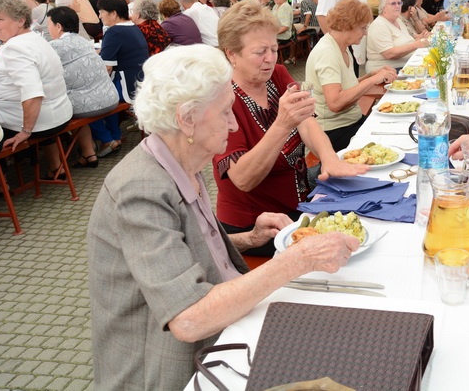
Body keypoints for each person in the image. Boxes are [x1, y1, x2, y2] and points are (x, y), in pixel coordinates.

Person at [88, 44, 359, 391]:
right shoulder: (140, 189)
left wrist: (249, 238)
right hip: (168, 368)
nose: (233, 124)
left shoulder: (181, 162)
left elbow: (181, 251)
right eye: (225, 112)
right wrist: (297, 260)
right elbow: (188, 318)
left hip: (220, 336)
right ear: (187, 118)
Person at [213, 1, 368, 255]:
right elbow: (243, 179)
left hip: (297, 206)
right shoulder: (221, 99)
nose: (270, 58)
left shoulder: (277, 75)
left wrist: (329, 158)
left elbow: (307, 121)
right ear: (231, 54)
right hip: (257, 227)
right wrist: (283, 124)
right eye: (260, 52)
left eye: (274, 49)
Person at [0, 0, 73, 174]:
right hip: (58, 113)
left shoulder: (16, 48)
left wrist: (25, 131)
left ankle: (0, 181)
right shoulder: (33, 38)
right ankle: (53, 166)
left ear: (21, 20)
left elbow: (33, 93)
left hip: (40, 123)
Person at [305, 0, 397, 151]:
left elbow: (347, 86)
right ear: (347, 25)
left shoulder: (342, 46)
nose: (365, 33)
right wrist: (372, 80)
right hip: (333, 132)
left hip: (350, 122)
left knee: (392, 128)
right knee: (390, 141)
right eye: (362, 28)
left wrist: (371, 76)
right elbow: (335, 103)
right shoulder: (327, 53)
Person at [47, 6, 118, 168]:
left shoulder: (54, 46)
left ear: (58, 26)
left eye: (49, 25)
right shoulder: (84, 41)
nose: (48, 29)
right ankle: (89, 153)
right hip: (109, 96)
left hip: (88, 105)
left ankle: (65, 161)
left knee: (60, 108)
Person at [92, 0, 149, 157]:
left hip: (125, 84)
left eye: (101, 12)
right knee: (104, 96)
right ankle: (114, 135)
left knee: (91, 102)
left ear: (114, 13)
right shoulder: (132, 27)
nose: (100, 16)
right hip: (139, 80)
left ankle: (107, 139)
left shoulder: (114, 32)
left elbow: (107, 68)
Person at [365, 0, 428, 72]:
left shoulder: (398, 21)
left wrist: (420, 40)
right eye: (393, 3)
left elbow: (406, 42)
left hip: (406, 65)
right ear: (383, 7)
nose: (397, 6)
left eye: (399, 3)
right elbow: (389, 54)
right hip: (387, 71)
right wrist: (416, 45)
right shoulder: (379, 25)